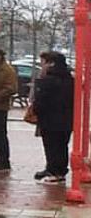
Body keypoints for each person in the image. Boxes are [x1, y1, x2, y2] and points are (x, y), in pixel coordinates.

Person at [32, 51, 74, 183]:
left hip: (49, 118)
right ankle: (58, 170)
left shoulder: (47, 80)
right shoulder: (70, 79)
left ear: (50, 64)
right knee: (62, 145)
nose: (41, 66)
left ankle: (54, 170)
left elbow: (40, 100)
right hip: (66, 119)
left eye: (43, 63)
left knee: (51, 146)